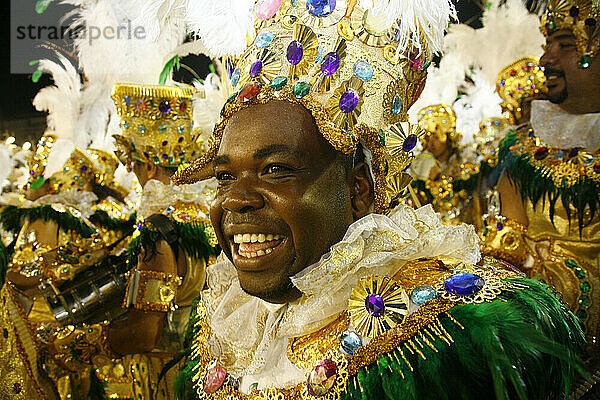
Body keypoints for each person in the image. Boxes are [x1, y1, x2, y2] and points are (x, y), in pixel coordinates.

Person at [169, 1, 584, 398]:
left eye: (276, 169)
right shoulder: (225, 325)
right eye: (224, 176)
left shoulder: (444, 341)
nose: (236, 199)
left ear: (358, 189)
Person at [49, 83, 219, 400]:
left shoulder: (157, 230)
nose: (133, 174)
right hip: (204, 370)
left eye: (132, 164)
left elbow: (144, 333)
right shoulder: (206, 213)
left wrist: (84, 343)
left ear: (150, 166)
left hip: (165, 377)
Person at [481, 0, 600, 386]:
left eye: (564, 44)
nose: (545, 59)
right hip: (546, 353)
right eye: (548, 44)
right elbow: (509, 248)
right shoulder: (520, 147)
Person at [0, 135, 136, 400]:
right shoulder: (86, 215)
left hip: (43, 326)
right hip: (80, 327)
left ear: (50, 182)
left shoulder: (46, 214)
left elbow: (29, 276)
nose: (28, 185)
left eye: (35, 178)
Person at [410, 104, 479, 224]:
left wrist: (439, 181)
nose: (431, 143)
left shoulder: (466, 160)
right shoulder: (422, 167)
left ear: (448, 136)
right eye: (428, 138)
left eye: (436, 138)